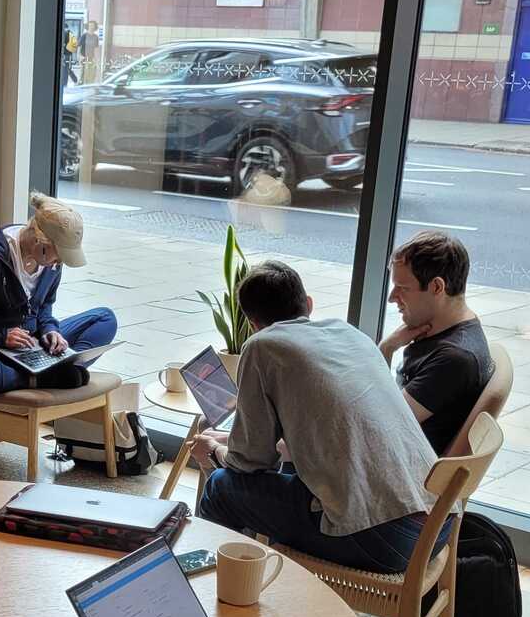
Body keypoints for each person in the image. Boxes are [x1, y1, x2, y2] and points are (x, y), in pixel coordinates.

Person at [192, 260, 450, 574]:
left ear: (252, 322)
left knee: (221, 488)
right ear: (309, 304)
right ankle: (259, 584)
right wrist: (232, 441)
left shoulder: (262, 346)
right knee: (288, 479)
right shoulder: (349, 333)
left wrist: (215, 451)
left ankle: (212, 587)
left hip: (385, 539)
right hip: (437, 524)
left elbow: (249, 462)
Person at [0, 191, 117, 394]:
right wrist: (0, 337)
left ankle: (53, 368)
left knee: (105, 318)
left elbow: (44, 306)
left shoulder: (52, 264)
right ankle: (38, 378)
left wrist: (50, 330)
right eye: (59, 256)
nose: (59, 263)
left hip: (33, 344)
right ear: (40, 240)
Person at [378, 231, 494, 455]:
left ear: (437, 287)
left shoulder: (453, 360)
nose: (392, 297)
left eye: (403, 288)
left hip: (392, 465)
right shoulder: (455, 335)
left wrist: (386, 349)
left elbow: (382, 425)